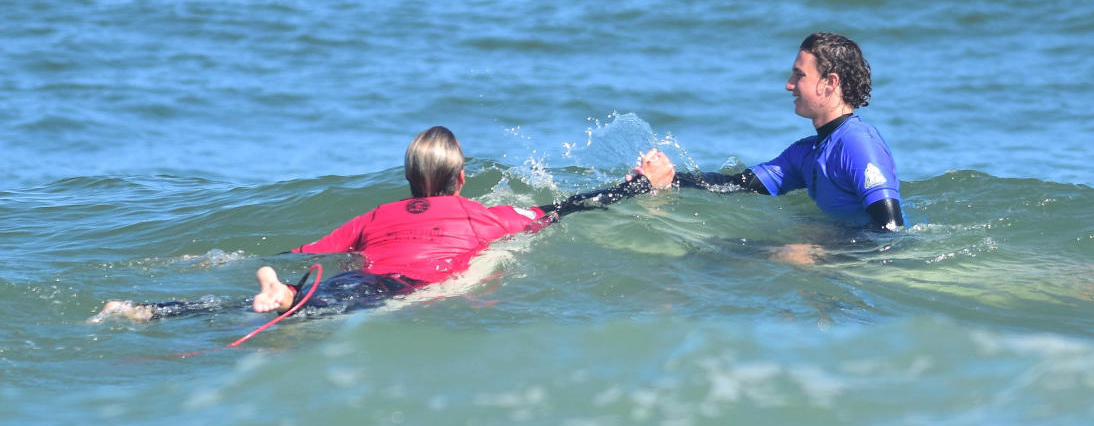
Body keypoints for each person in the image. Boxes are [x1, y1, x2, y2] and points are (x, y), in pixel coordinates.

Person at [97, 126, 670, 321]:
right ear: (461, 178)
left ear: (409, 178)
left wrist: (215, 260)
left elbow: (305, 252)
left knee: (307, 295)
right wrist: (640, 184)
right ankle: (277, 298)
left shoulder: (375, 215)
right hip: (403, 285)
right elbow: (575, 205)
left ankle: (156, 309)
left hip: (356, 276)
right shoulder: (485, 216)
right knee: (307, 310)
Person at [636, 32, 904, 262]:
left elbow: (891, 230)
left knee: (742, 257)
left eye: (799, 75)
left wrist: (821, 252)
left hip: (865, 266)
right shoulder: (806, 152)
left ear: (830, 82)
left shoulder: (858, 143)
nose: (789, 85)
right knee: (716, 253)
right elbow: (737, 185)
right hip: (837, 258)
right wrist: (669, 179)